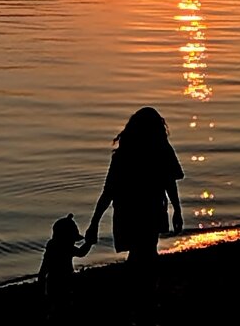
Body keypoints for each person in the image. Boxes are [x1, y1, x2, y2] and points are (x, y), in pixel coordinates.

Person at [84, 107, 184, 324]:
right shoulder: (160, 150)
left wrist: (95, 222)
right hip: (150, 210)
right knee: (145, 253)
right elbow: (170, 182)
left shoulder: (124, 154)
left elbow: (108, 191)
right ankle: (142, 301)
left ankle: (139, 301)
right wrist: (176, 210)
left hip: (129, 212)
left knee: (142, 254)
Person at [38, 212, 91, 324]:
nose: (73, 242)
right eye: (72, 239)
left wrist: (41, 285)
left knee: (57, 305)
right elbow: (81, 252)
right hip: (62, 280)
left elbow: (43, 271)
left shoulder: (52, 246)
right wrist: (89, 243)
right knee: (62, 305)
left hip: (53, 281)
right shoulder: (64, 247)